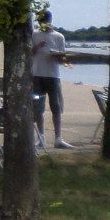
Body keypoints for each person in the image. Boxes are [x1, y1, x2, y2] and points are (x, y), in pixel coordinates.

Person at [30, 9, 75, 150]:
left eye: (45, 21)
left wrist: (60, 58)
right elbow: (29, 53)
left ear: (50, 21)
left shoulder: (59, 36)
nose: (43, 24)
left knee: (56, 107)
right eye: (40, 21)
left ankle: (58, 138)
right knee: (38, 108)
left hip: (53, 75)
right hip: (37, 74)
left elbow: (63, 57)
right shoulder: (34, 35)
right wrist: (37, 47)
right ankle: (40, 137)